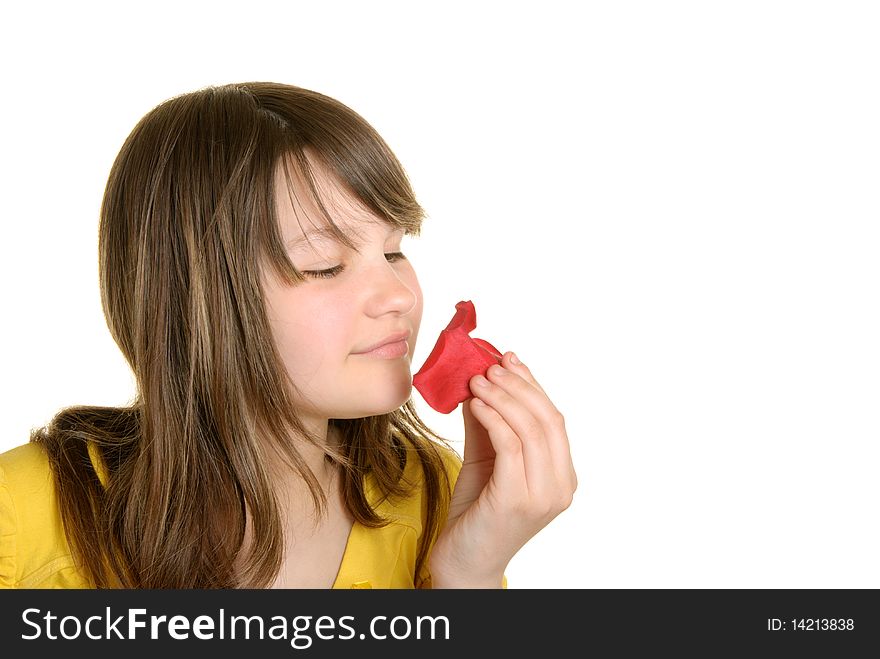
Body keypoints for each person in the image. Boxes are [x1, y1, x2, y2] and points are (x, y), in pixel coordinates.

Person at [0, 82, 577, 589]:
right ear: (195, 296)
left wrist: (468, 576)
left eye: (394, 251)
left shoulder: (437, 496)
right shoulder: (20, 515)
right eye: (325, 265)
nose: (400, 296)